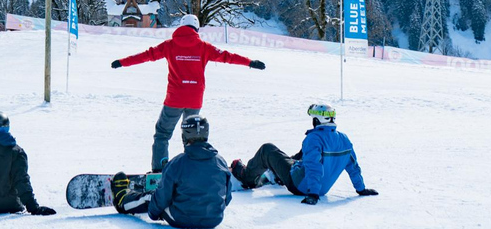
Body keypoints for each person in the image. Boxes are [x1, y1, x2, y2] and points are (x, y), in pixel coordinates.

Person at [111, 14, 266, 172]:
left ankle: (159, 171)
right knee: (192, 138)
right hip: (194, 100)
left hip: (174, 99)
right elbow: (227, 57)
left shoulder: (169, 45)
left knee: (162, 135)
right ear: (196, 28)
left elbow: (146, 55)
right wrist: (250, 62)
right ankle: (192, 170)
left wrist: (122, 62)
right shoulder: (204, 47)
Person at [230, 103, 378, 205]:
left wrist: (312, 194)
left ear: (316, 120)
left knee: (267, 149)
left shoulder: (313, 138)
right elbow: (353, 166)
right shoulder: (344, 139)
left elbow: (314, 167)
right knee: (297, 157)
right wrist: (361, 189)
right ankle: (277, 176)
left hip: (302, 185)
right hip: (321, 188)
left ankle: (246, 177)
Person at [112, 115, 232, 228]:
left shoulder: (177, 163)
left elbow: (161, 198)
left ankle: (122, 201)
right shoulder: (221, 162)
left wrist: (154, 213)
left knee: (150, 198)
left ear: (184, 136)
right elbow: (227, 198)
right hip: (213, 220)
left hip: (181, 219)